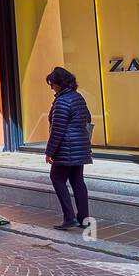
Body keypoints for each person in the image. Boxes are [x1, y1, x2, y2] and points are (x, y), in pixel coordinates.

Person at [45, 66, 93, 230]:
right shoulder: (77, 97)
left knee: (57, 178)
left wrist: (49, 152)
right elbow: (88, 117)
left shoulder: (62, 101)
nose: (51, 87)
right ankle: (84, 218)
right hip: (80, 147)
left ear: (59, 83)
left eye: (52, 83)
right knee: (78, 181)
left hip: (66, 148)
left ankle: (69, 216)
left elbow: (58, 130)